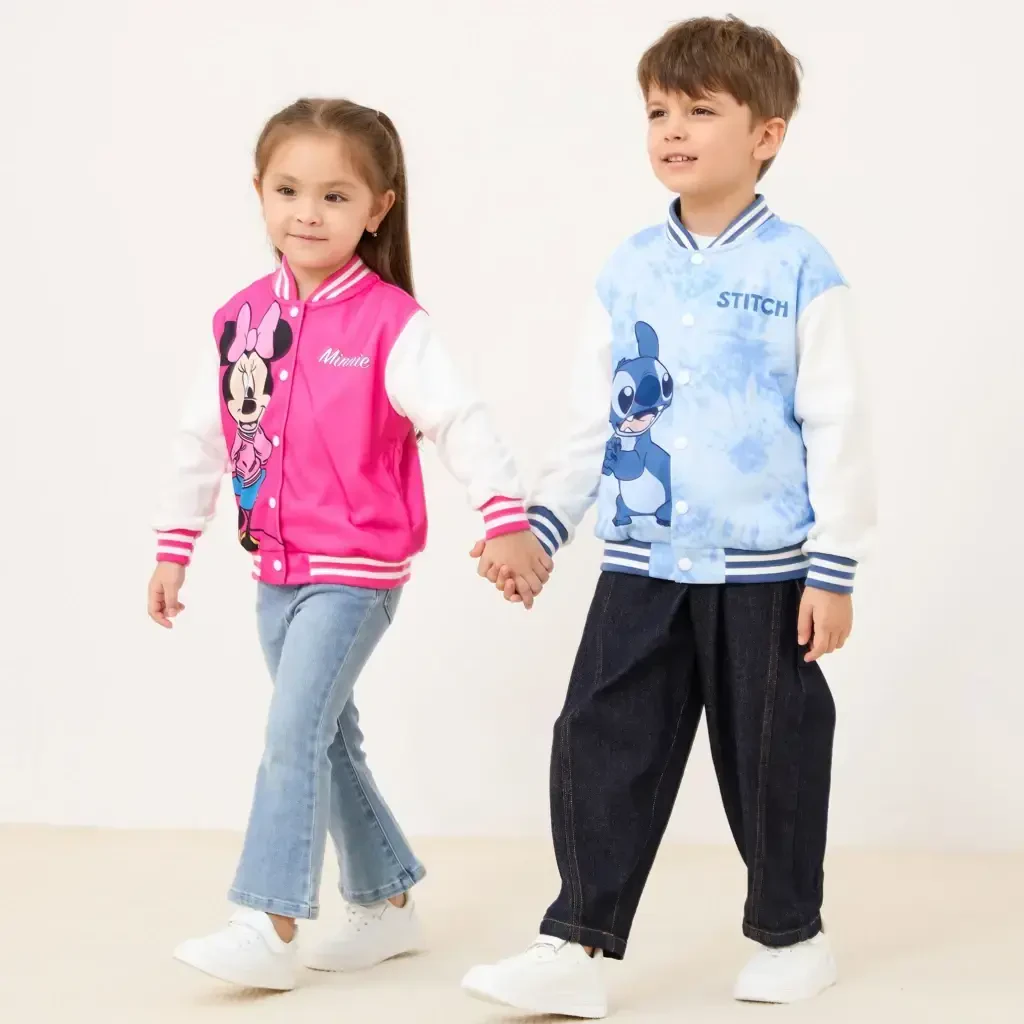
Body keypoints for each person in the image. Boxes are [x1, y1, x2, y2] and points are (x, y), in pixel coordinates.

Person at [463, 16, 875, 1017]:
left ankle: (791, 934)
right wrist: (542, 528)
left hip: (764, 573)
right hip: (641, 564)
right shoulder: (628, 270)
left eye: (700, 110)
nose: (673, 130)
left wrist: (834, 567)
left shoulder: (800, 268)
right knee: (599, 738)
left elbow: (838, 422)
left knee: (771, 756)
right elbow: (592, 421)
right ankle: (578, 941)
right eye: (657, 112)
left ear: (765, 135)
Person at [148, 97, 551, 992]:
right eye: (288, 190)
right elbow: (202, 438)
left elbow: (460, 421)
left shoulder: (391, 324)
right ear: (259, 192)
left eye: (335, 196)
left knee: (292, 730)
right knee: (325, 739)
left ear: (378, 208)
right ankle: (387, 899)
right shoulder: (239, 321)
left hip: (356, 570)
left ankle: (267, 921)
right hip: (275, 568)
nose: (308, 213)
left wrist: (505, 517)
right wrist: (175, 546)